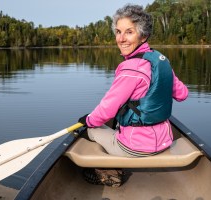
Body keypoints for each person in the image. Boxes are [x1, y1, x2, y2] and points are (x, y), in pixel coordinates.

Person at [78, 4, 188, 158]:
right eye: (118, 32)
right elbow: (182, 94)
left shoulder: (130, 69)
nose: (121, 39)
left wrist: (88, 120)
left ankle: (109, 171)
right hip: (165, 141)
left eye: (129, 32)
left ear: (143, 36)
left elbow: (108, 108)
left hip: (134, 147)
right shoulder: (160, 60)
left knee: (92, 129)